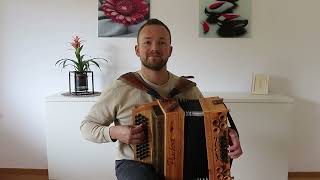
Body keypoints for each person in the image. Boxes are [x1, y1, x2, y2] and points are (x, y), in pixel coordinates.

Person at [80, 18, 243, 180]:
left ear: (170, 50)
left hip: (183, 163)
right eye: (147, 42)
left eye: (162, 43)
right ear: (137, 50)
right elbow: (86, 127)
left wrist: (228, 136)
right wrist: (114, 132)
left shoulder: (189, 89)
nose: (154, 48)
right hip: (135, 164)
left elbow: (210, 126)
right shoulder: (120, 88)